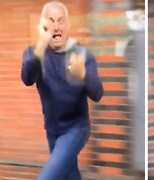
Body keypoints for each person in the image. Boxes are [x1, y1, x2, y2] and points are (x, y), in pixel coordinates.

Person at [21, 1, 103, 179]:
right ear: (43, 25)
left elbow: (97, 94)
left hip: (77, 128)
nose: (56, 27)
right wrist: (41, 45)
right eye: (51, 21)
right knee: (69, 175)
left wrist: (83, 75)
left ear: (68, 25)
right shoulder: (33, 53)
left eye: (61, 20)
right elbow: (27, 78)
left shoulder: (81, 54)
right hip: (52, 130)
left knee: (47, 177)